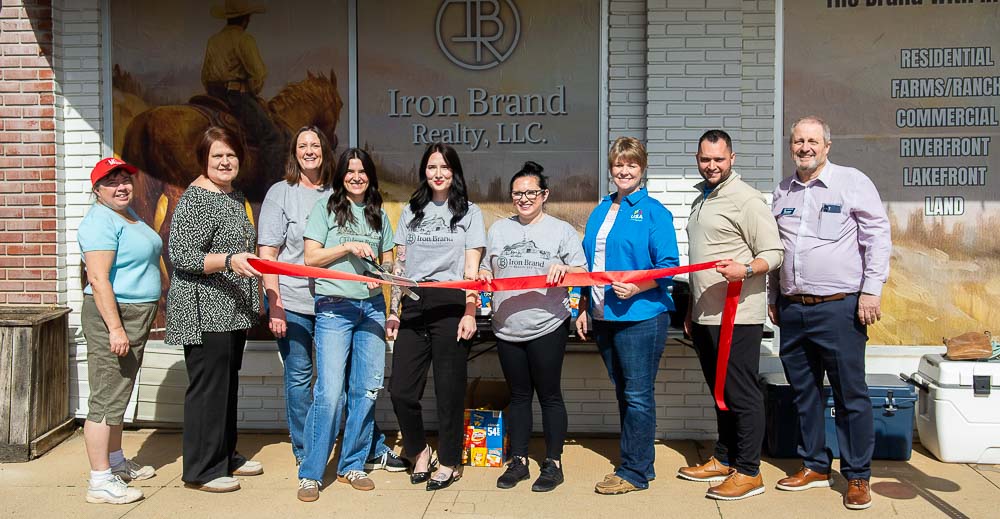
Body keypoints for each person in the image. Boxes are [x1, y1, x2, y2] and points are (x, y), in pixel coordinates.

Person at [258, 127, 407, 472]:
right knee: (304, 380)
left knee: (359, 385)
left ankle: (360, 452)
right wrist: (275, 303)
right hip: (298, 301)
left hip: (351, 303)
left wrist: (392, 288)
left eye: (315, 145)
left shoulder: (346, 196)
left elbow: (386, 260)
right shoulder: (283, 194)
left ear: (326, 153)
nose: (309, 151)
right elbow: (270, 252)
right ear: (293, 152)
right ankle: (307, 452)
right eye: (302, 146)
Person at [768, 116, 891, 510]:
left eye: (812, 141)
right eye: (798, 141)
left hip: (840, 308)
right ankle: (815, 465)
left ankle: (857, 476)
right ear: (791, 146)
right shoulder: (782, 191)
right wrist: (774, 295)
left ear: (827, 145)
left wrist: (871, 291)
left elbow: (878, 238)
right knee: (804, 393)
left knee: (850, 394)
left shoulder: (852, 182)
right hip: (793, 308)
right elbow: (777, 250)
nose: (805, 147)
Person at [678, 130, 783, 500]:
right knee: (720, 391)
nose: (712, 166)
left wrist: (747, 270)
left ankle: (750, 471)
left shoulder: (747, 199)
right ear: (697, 158)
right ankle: (724, 457)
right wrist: (692, 307)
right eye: (706, 159)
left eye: (719, 159)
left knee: (742, 393)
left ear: (732, 158)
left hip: (737, 315)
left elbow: (774, 252)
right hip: (706, 314)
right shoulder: (702, 198)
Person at [576, 136, 680, 495]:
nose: (624, 170)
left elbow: (669, 267)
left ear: (642, 168)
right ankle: (640, 462)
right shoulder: (601, 209)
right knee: (625, 393)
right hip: (605, 316)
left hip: (641, 316)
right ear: (611, 168)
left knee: (637, 395)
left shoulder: (654, 212)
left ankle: (634, 471)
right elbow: (589, 266)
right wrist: (583, 307)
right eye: (619, 164)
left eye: (631, 164)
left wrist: (638, 287)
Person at [166, 126, 265, 493]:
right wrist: (228, 260)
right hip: (206, 310)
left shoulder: (232, 195)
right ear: (204, 162)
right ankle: (202, 469)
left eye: (231, 155)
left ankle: (224, 454)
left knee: (226, 386)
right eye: (217, 157)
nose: (225, 162)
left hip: (230, 309)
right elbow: (182, 256)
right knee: (209, 389)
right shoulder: (196, 199)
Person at [479, 161, 588, 493]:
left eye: (530, 193)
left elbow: (582, 272)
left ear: (544, 195)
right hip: (506, 327)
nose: (523, 199)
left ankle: (553, 463)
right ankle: (519, 461)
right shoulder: (498, 230)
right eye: (517, 194)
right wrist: (484, 276)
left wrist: (564, 269)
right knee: (520, 395)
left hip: (547, 325)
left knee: (550, 395)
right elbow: (487, 267)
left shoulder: (561, 231)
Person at [296, 148, 395, 501]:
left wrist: (380, 277)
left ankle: (352, 464)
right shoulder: (325, 209)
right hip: (334, 309)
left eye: (362, 171)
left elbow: (387, 262)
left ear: (370, 175)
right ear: (340, 176)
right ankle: (310, 472)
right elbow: (311, 258)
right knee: (329, 392)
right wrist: (348, 247)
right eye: (350, 171)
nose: (356, 176)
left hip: (370, 309)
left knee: (366, 390)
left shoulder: (378, 215)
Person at [386, 143, 485, 491]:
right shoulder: (411, 210)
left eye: (444, 167)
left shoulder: (469, 212)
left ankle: (448, 460)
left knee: (449, 391)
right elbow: (399, 266)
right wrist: (394, 311)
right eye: (431, 167)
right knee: (400, 390)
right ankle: (418, 450)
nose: (438, 173)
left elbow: (473, 268)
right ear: (423, 172)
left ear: (455, 171)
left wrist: (471, 311)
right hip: (413, 302)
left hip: (451, 303)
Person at [78, 158, 162, 505]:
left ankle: (114, 462)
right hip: (114, 316)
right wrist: (115, 328)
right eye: (111, 181)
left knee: (119, 393)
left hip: (134, 314)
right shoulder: (99, 220)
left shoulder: (127, 215)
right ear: (97, 189)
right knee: (105, 398)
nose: (121, 186)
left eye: (125, 179)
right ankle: (99, 481)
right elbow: (98, 279)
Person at [201, 0, 282, 178]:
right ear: (246, 19)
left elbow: (205, 75)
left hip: (213, 97)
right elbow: (258, 73)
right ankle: (269, 189)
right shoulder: (244, 40)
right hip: (236, 97)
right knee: (273, 138)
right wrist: (253, 91)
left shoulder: (213, 40)